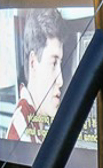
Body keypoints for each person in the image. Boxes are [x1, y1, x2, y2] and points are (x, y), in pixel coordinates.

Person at [6, 8, 64, 144]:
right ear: (33, 62)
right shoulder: (21, 130)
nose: (60, 80)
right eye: (54, 63)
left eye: (61, 62)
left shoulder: (39, 121)